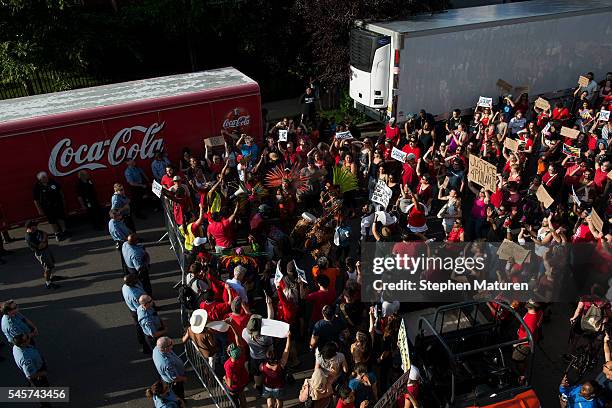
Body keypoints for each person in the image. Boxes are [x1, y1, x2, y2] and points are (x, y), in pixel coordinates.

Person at [12, 334, 52, 407]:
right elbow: (30, 375)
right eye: (26, 338)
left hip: (36, 365)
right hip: (37, 374)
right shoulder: (25, 359)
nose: (28, 337)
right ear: (22, 344)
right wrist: (42, 373)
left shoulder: (16, 346)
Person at [33, 171, 67, 241]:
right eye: (44, 178)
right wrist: (39, 210)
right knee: (52, 221)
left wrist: (63, 201)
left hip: (57, 205)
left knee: (60, 218)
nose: (46, 178)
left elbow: (60, 192)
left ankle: (64, 231)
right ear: (40, 179)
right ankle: (57, 234)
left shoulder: (52, 182)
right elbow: (36, 200)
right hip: (47, 208)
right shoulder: (37, 187)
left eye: (46, 177)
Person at [260, 331, 292, 408]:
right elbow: (287, 349)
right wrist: (289, 337)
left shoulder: (262, 366)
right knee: (279, 402)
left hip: (267, 387)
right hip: (279, 388)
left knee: (270, 402)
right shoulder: (281, 365)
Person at [24, 220, 59, 289]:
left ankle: (51, 277)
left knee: (51, 265)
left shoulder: (36, 231)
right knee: (47, 268)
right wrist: (44, 239)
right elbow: (40, 246)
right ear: (30, 227)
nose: (36, 227)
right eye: (35, 225)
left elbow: (45, 233)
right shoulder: (29, 237)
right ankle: (48, 283)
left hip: (46, 250)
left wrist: (44, 240)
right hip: (41, 253)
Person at [153, 336, 188, 401]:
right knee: (178, 394)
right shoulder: (166, 364)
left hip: (169, 376)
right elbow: (174, 378)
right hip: (175, 382)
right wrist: (184, 378)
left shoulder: (156, 348)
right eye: (171, 344)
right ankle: (181, 402)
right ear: (165, 348)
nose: (172, 344)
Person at [121, 273, 148, 354]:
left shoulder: (125, 287)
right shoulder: (135, 294)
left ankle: (142, 341)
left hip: (132, 308)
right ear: (131, 283)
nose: (137, 280)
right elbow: (142, 306)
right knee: (142, 328)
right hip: (138, 311)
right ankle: (145, 345)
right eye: (135, 280)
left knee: (138, 326)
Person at [224, 343, 249, 407]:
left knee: (234, 401)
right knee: (242, 396)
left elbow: (230, 384)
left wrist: (224, 378)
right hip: (243, 381)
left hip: (235, 387)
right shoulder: (242, 356)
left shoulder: (229, 365)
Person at [108, 209, 131, 274]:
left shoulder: (117, 221)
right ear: (113, 216)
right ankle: (127, 273)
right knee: (125, 259)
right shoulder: (113, 224)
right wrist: (129, 240)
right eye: (118, 215)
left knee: (127, 257)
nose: (120, 215)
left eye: (120, 214)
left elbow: (125, 228)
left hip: (125, 240)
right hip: (123, 242)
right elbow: (120, 236)